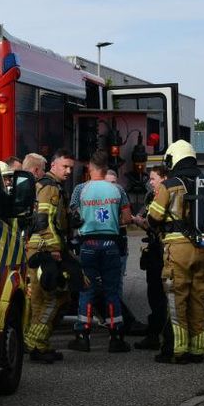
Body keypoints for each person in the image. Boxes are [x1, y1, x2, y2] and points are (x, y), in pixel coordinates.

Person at [146, 140, 204, 364]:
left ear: (174, 158)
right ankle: (199, 349)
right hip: (202, 248)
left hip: (177, 250)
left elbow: (154, 217)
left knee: (176, 298)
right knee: (198, 298)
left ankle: (179, 350)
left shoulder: (169, 185)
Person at [68, 150, 137, 353]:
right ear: (106, 169)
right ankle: (116, 338)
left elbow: (73, 215)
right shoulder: (117, 190)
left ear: (90, 168)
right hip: (110, 245)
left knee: (86, 290)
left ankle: (83, 336)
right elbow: (126, 219)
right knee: (111, 291)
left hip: (87, 245)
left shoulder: (80, 189)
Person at [23, 149, 76, 364]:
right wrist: (56, 249)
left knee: (37, 299)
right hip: (46, 250)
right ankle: (35, 341)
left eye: (71, 167)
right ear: (53, 166)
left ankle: (38, 345)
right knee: (55, 296)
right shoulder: (51, 188)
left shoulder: (43, 185)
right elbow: (44, 220)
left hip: (35, 249)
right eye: (65, 166)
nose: (69, 171)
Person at [133, 163, 173, 354]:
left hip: (163, 251)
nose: (150, 182)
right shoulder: (152, 196)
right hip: (156, 250)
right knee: (154, 294)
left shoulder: (167, 196)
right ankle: (155, 334)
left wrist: (144, 223)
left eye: (153, 178)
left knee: (160, 295)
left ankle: (161, 336)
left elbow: (156, 223)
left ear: (164, 178)